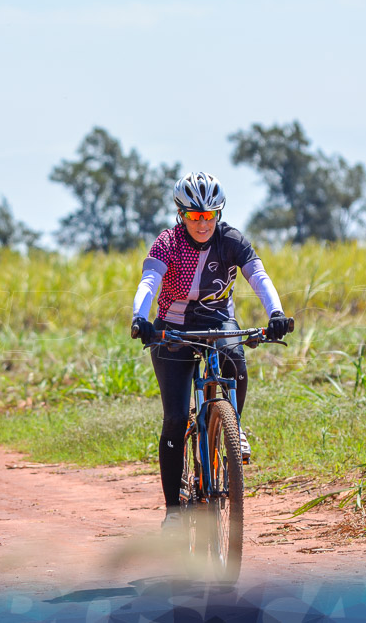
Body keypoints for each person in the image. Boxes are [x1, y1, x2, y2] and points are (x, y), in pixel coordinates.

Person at [130, 171, 291, 531]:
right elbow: (149, 281)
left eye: (209, 216)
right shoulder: (167, 243)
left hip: (219, 322)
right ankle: (173, 511)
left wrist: (276, 313)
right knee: (174, 418)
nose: (202, 223)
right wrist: (141, 318)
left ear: (218, 213)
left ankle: (233, 424)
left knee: (236, 356)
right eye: (194, 216)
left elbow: (259, 277)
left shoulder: (231, 240)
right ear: (181, 214)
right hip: (172, 329)